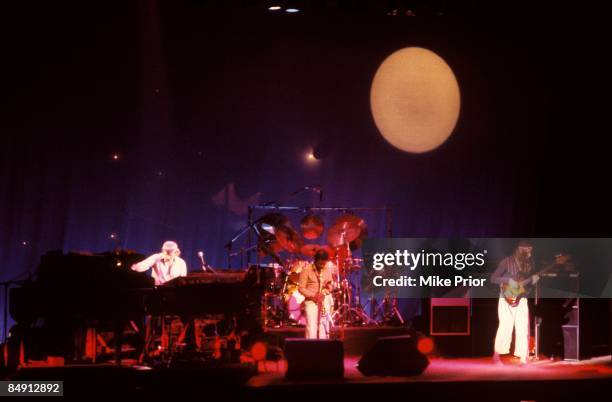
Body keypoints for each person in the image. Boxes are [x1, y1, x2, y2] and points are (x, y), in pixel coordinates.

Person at [491, 240, 539, 365]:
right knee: (505, 326)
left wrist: (533, 281)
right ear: (519, 249)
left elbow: (527, 284)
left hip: (522, 297)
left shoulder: (530, 264)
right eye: (526, 250)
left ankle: (523, 358)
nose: (529, 253)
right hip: (507, 296)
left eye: (530, 250)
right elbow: (493, 278)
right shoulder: (506, 261)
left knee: (523, 327)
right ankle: (496, 357)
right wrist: (509, 280)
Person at [298, 250, 335, 339]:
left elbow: (330, 284)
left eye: (324, 264)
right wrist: (314, 295)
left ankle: (323, 348)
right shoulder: (306, 270)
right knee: (311, 326)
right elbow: (301, 288)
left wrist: (328, 289)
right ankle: (310, 349)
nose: (322, 266)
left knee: (324, 325)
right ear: (315, 261)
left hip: (323, 301)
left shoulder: (326, 269)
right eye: (320, 264)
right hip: (311, 301)